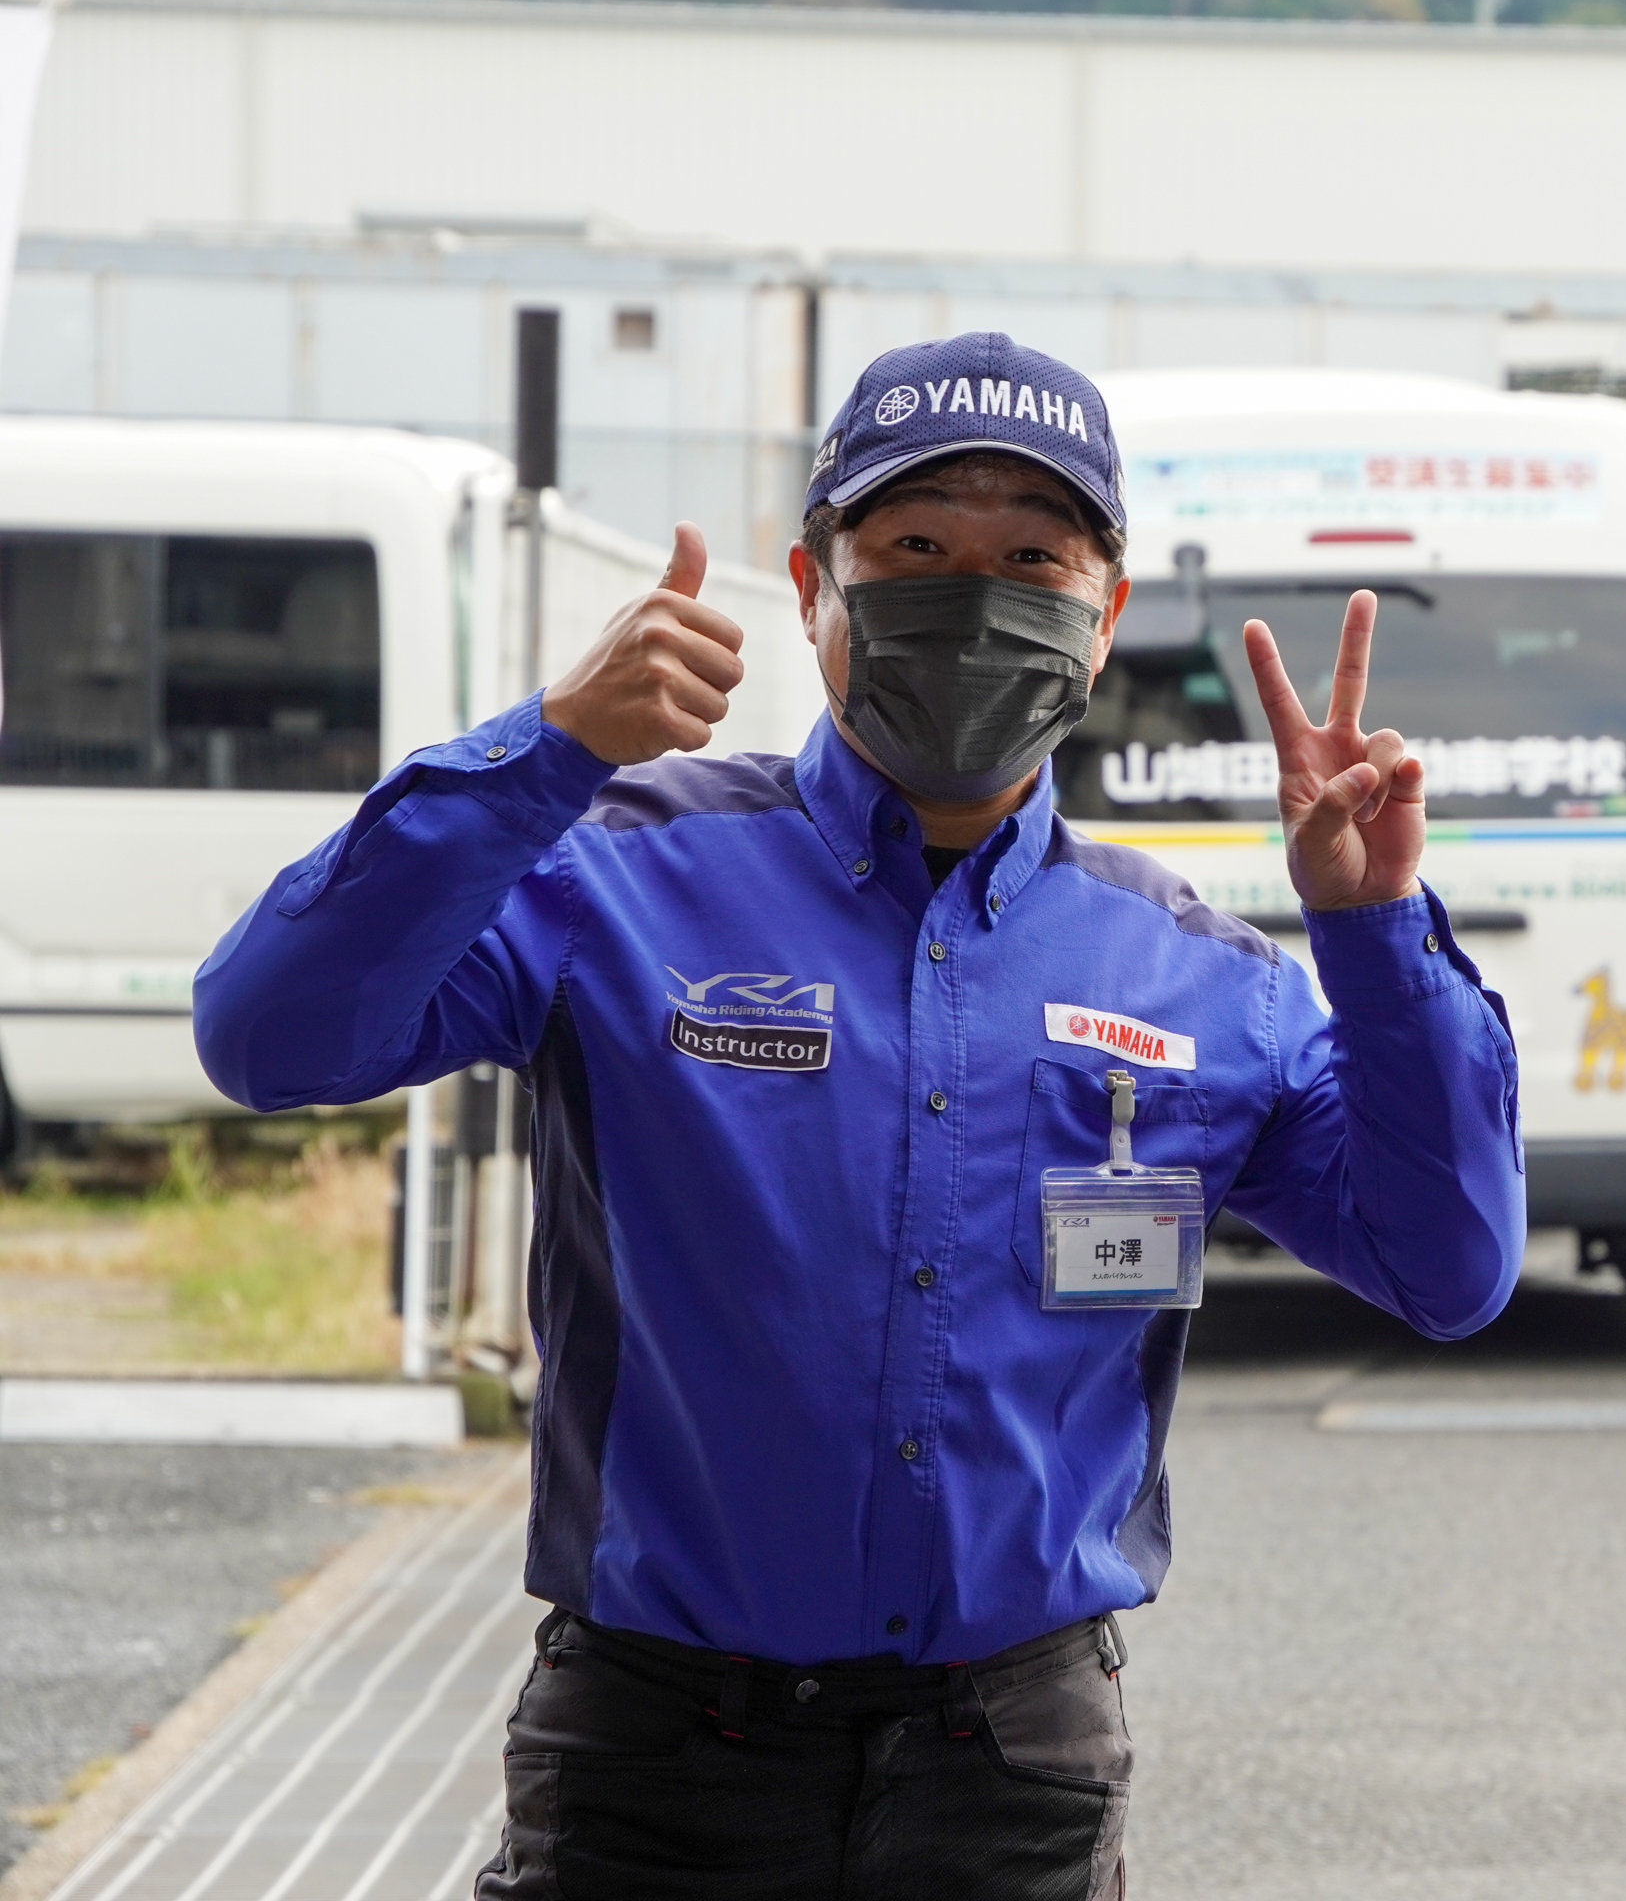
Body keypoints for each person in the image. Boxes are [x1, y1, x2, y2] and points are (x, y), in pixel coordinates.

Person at [193, 331, 1526, 1900]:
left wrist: (1374, 937)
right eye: (914, 548)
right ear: (812, 585)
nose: (973, 595)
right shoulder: (616, 871)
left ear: (1104, 615)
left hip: (1009, 1771)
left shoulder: (1195, 976)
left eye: (1031, 554)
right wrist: (542, 754)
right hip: (656, 1759)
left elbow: (1448, 1269)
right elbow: (268, 1037)